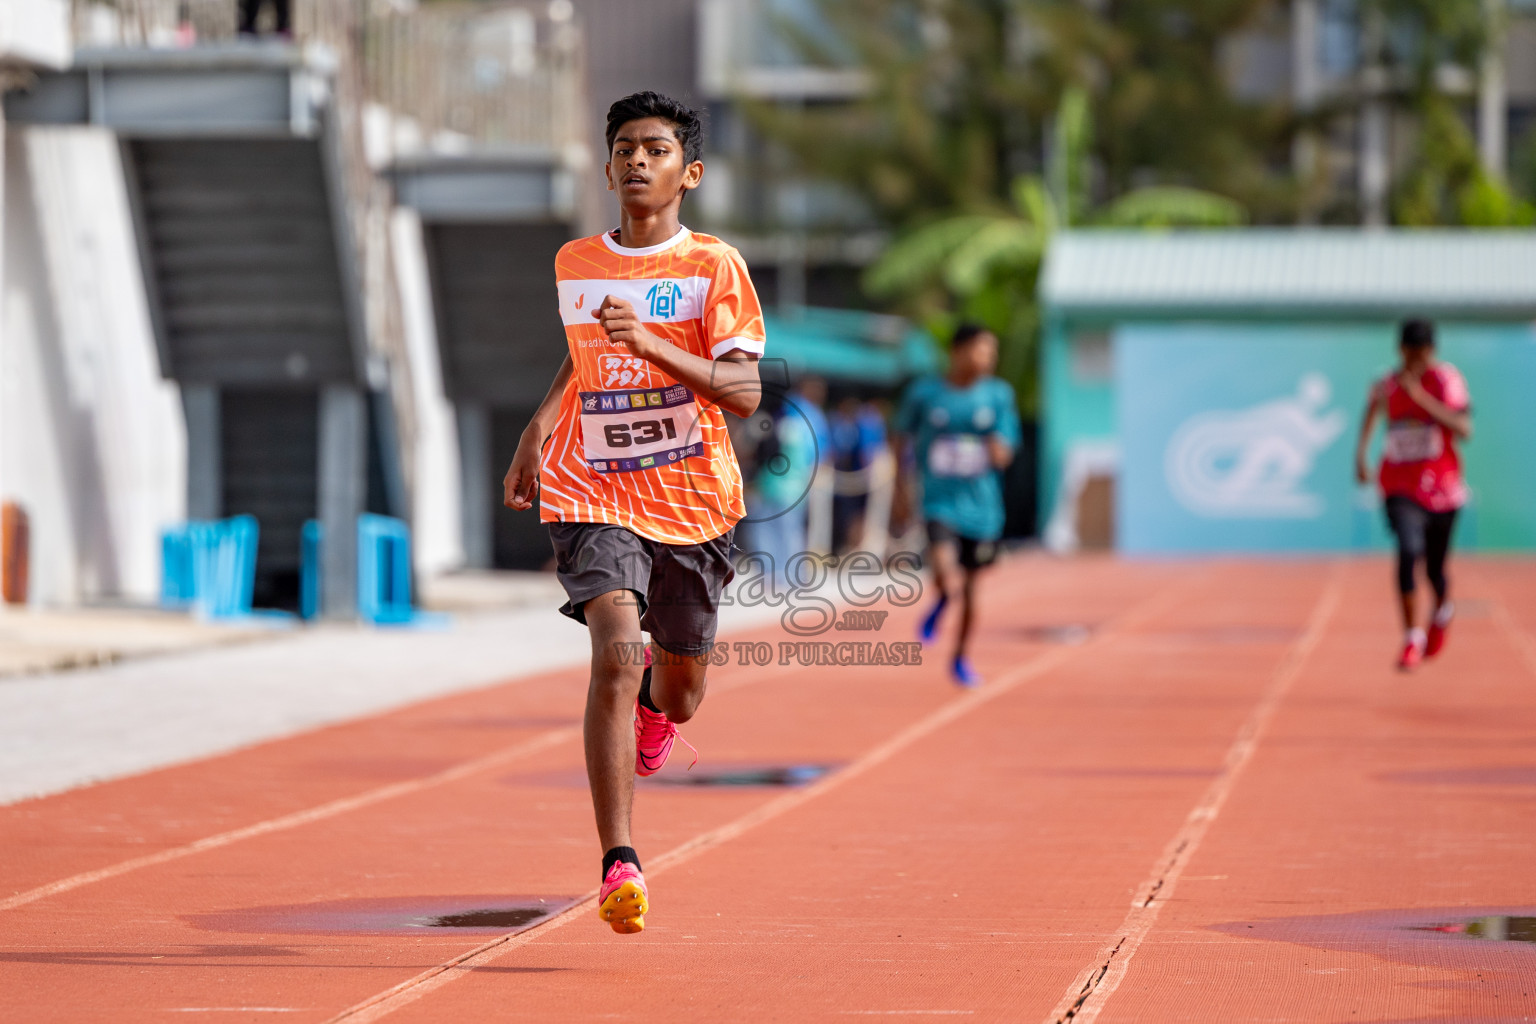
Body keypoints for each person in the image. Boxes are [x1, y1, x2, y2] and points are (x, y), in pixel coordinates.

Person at [502, 92, 765, 933]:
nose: (637, 161)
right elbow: (582, 357)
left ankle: (657, 708)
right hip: (594, 488)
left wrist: (652, 343)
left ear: (688, 172)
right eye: (624, 148)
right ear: (609, 166)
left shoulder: (714, 266)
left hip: (693, 499)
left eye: (655, 148)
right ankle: (620, 859)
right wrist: (538, 428)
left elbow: (746, 393)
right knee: (616, 650)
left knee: (680, 692)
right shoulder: (576, 261)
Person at [896, 324, 1020, 687]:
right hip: (939, 502)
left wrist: (998, 449)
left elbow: (1006, 451)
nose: (990, 359)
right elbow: (900, 436)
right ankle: (940, 599)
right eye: (983, 350)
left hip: (982, 509)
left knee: (971, 591)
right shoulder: (926, 393)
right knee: (944, 570)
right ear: (959, 351)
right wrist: (902, 487)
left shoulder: (998, 395)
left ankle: (961, 657)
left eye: (993, 352)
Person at [1354, 319, 1473, 671]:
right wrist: (1361, 455)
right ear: (1400, 351)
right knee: (1408, 552)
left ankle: (1442, 610)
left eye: (1423, 354)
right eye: (1410, 353)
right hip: (1400, 486)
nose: (1416, 360)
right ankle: (1412, 637)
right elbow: (1372, 410)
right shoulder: (1387, 384)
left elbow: (1464, 428)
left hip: (1443, 490)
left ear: (1432, 352)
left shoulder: (1446, 381)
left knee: (1435, 571)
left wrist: (1421, 399)